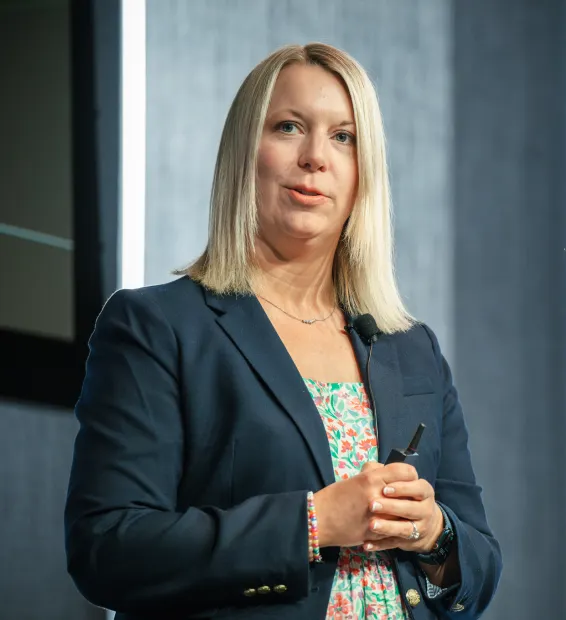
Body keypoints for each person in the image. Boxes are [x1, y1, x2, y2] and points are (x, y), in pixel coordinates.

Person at [64, 42, 502, 620]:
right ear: (246, 152)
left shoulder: (411, 348)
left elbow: (481, 566)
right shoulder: (157, 327)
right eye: (290, 126)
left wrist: (435, 534)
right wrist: (313, 524)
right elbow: (109, 549)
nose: (316, 157)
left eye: (344, 137)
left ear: (362, 173)